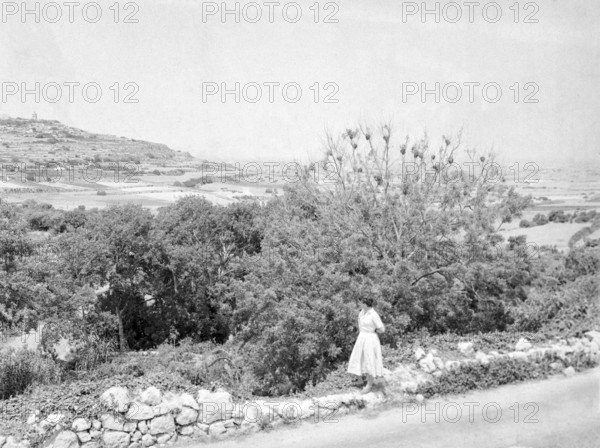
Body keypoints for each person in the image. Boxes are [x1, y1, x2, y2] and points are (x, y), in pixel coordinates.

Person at [347, 296, 385, 394]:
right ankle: (359, 380)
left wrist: (373, 330)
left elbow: (382, 329)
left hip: (370, 339)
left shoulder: (373, 314)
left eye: (360, 302)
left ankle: (369, 385)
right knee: (358, 357)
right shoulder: (362, 313)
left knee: (369, 360)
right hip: (362, 337)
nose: (358, 304)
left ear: (365, 303)